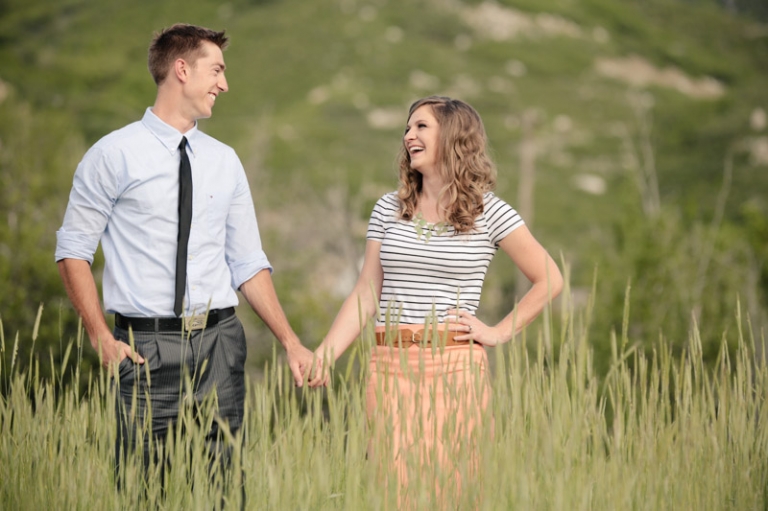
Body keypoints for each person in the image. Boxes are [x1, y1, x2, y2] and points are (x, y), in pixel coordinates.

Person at [55, 23, 314, 489]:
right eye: (216, 70)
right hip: (144, 349)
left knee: (223, 485)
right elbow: (73, 251)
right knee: (142, 487)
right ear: (181, 70)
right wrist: (100, 337)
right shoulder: (113, 155)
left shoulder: (225, 160)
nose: (224, 83)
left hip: (220, 343)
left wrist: (291, 342)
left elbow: (248, 262)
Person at [310, 96, 563, 503]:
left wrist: (498, 332)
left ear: (454, 136)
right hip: (390, 365)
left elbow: (549, 278)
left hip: (455, 367)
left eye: (421, 127)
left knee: (455, 490)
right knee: (393, 493)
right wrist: (325, 353)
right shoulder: (387, 208)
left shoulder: (490, 213)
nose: (409, 136)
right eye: (407, 129)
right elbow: (366, 292)